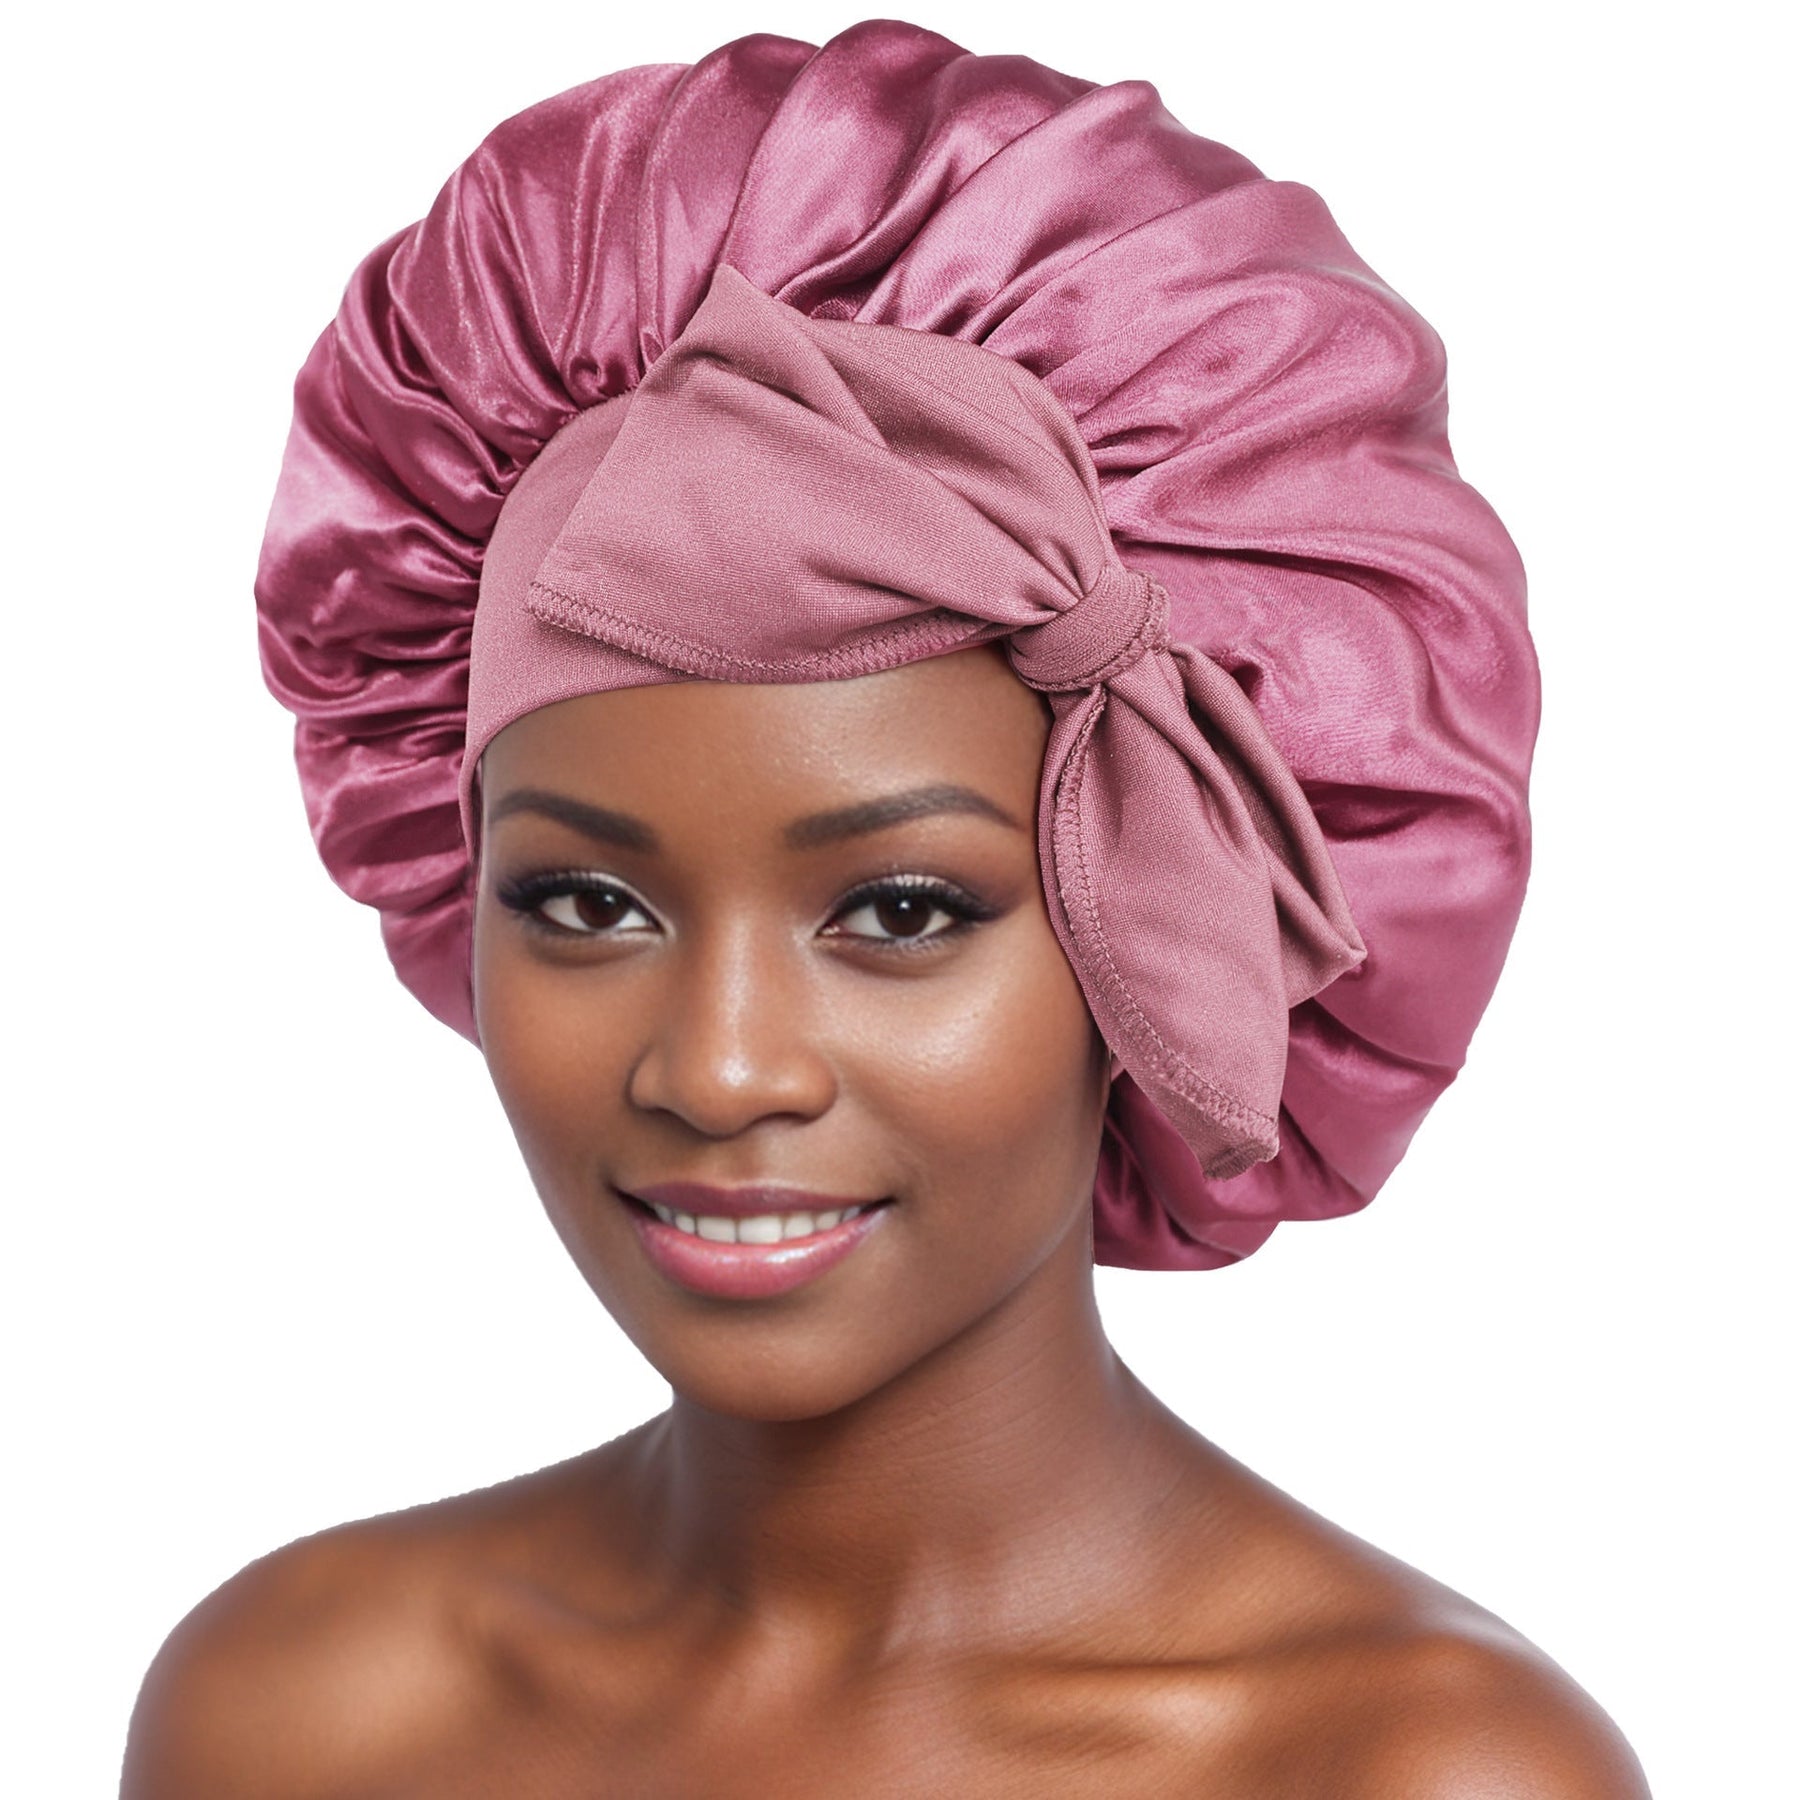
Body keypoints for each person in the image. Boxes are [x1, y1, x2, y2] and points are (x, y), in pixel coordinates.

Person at [122, 20, 1649, 1796]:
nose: (720, 1069)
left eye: (904, 913)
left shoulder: (1408, 1773)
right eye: (588, 901)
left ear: (1168, 941)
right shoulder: (296, 1717)